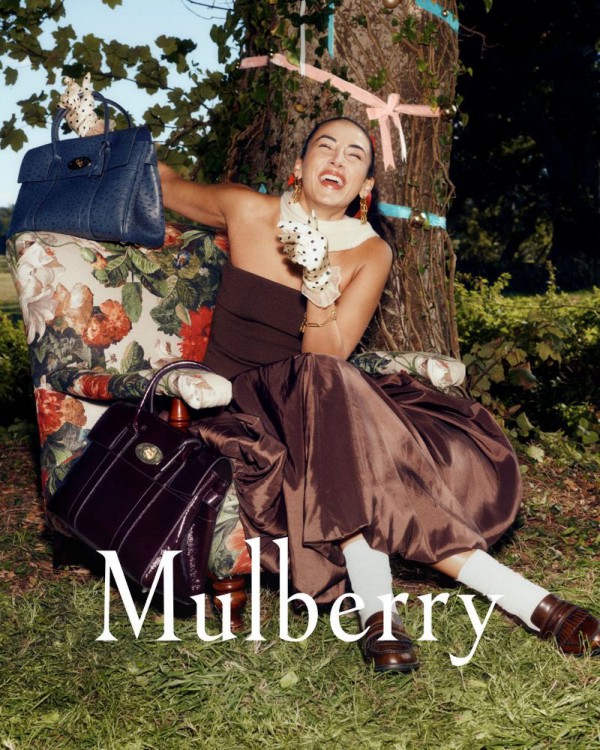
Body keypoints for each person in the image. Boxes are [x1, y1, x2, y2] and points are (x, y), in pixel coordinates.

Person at [158, 117, 599, 673]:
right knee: (336, 410)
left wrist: (319, 285)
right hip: (242, 407)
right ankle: (527, 601)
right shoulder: (247, 209)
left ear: (365, 185)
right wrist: (99, 135)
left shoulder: (371, 253)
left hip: (324, 399)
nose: (337, 160)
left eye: (354, 155)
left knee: (327, 392)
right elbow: (165, 185)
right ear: (299, 166)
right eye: (325, 147)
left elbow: (326, 356)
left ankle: (381, 615)